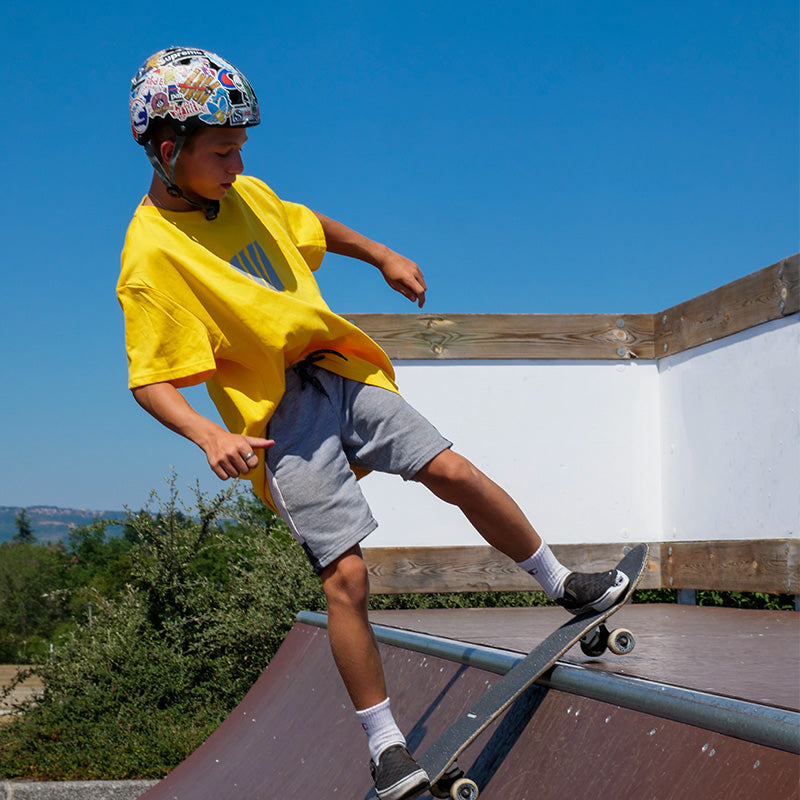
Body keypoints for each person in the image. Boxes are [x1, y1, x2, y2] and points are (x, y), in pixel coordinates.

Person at [118, 47, 629, 800]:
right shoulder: (150, 257)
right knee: (347, 577)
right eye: (223, 150)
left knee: (450, 470)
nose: (239, 159)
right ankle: (385, 746)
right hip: (278, 421)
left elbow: (308, 226)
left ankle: (562, 583)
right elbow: (151, 379)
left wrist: (382, 254)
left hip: (340, 372)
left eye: (241, 145)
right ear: (169, 152)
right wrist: (209, 434)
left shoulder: (247, 194)